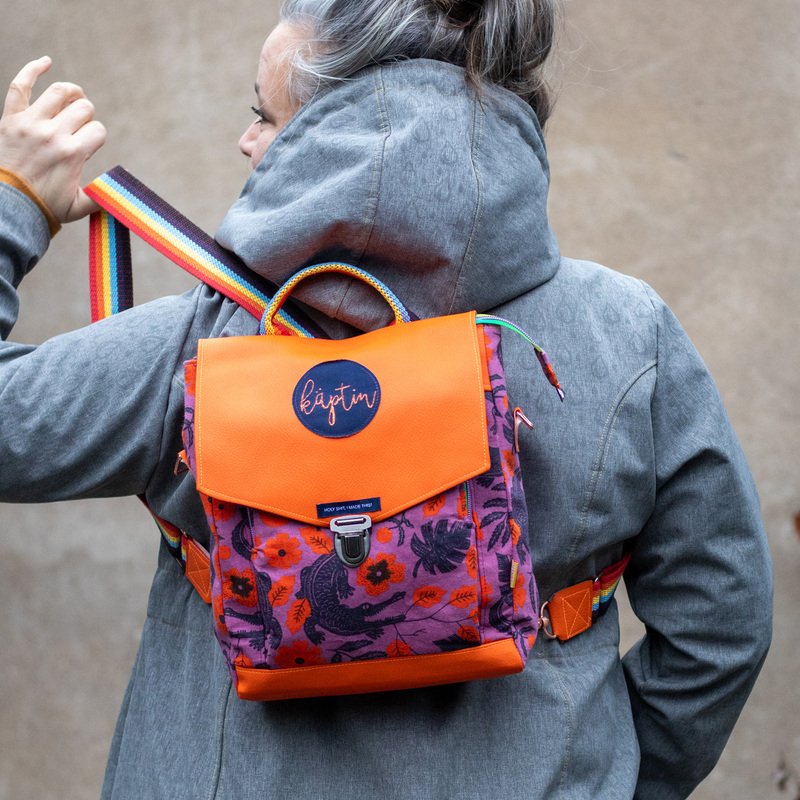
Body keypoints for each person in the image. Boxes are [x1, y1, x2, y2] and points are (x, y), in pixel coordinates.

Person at [0, 1, 772, 798]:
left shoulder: (200, 347)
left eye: (266, 116)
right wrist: (607, 776)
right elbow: (721, 622)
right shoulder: (626, 336)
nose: (246, 140)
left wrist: (16, 198)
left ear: (330, 138)